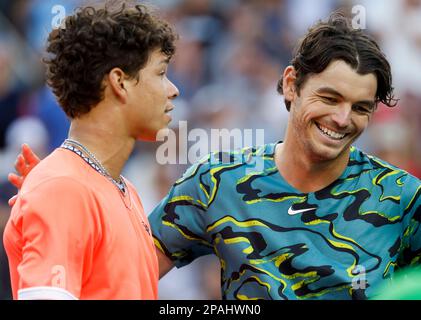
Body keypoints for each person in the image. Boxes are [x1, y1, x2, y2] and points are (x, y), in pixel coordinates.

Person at [8, 13, 421, 300]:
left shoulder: (403, 198)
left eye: (362, 107)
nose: (342, 119)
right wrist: (63, 199)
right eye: (329, 98)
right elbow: (125, 276)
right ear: (292, 84)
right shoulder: (216, 181)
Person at [3, 0, 179, 300]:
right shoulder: (63, 188)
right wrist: (57, 191)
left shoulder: (121, 190)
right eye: (161, 73)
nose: (173, 89)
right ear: (120, 82)